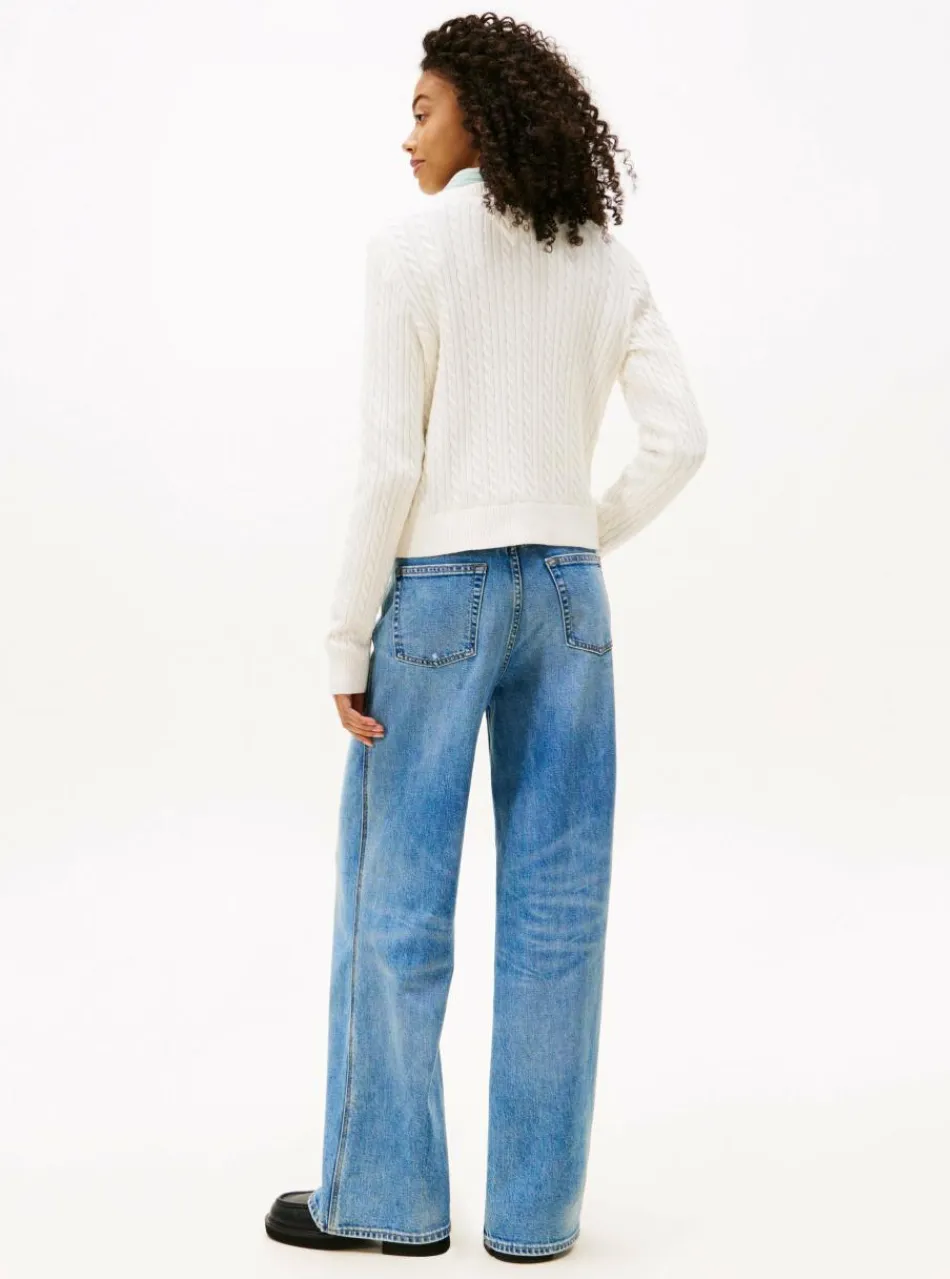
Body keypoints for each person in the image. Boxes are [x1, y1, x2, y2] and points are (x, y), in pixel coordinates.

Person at [264, 12, 707, 1263]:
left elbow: (386, 468)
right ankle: (532, 1218)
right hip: (569, 598)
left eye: (422, 110)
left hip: (436, 599)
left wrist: (344, 637)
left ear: (479, 117)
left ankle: (384, 1202)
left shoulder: (409, 252)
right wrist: (576, 532)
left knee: (396, 900)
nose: (405, 134)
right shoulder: (600, 258)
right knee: (558, 906)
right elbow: (680, 440)